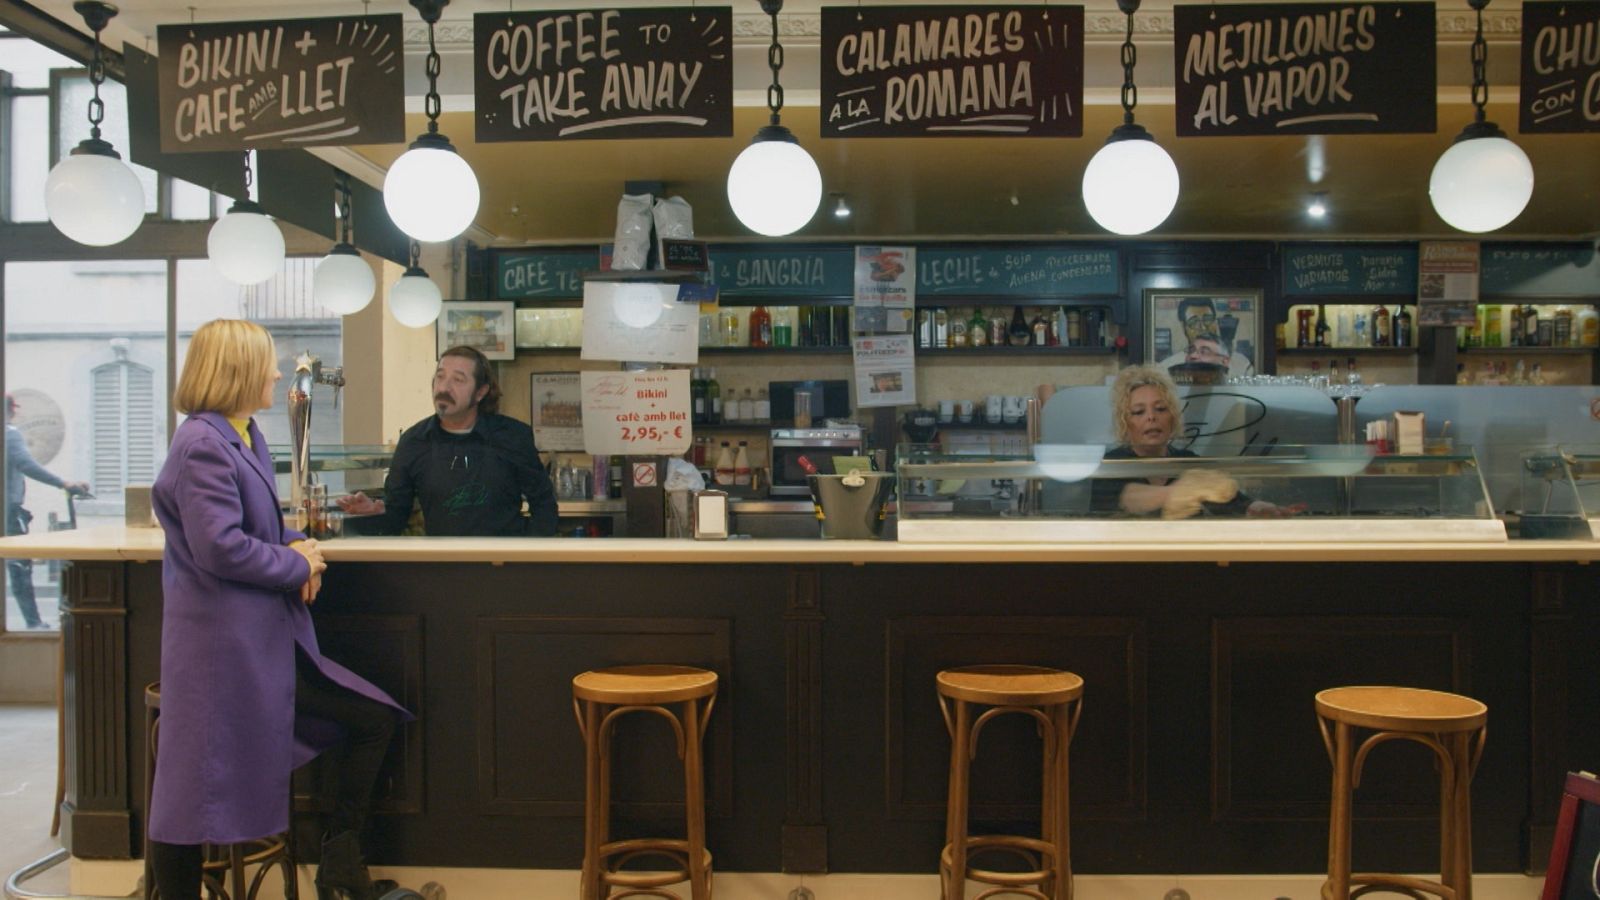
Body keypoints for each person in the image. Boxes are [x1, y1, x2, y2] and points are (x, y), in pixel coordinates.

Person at [148, 319, 411, 900]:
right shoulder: (200, 446)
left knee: (194, 785)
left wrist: (294, 540)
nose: (275, 372)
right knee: (190, 792)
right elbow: (220, 546)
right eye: (267, 362)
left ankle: (338, 866)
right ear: (237, 371)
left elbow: (251, 527)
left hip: (256, 643)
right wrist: (300, 565)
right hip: (223, 650)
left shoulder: (242, 435)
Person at [337, 345, 558, 536]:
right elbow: (396, 516)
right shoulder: (414, 441)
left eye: (458, 380)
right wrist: (374, 512)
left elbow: (545, 506)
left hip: (505, 566)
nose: (444, 388)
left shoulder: (512, 436)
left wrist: (526, 555)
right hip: (441, 566)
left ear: (480, 392)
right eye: (440, 377)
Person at [1090, 365, 1302, 518]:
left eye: (1161, 409)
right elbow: (1127, 499)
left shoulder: (1190, 463)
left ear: (1173, 417)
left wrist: (1257, 507)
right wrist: (1179, 492)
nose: (1151, 417)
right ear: (1125, 423)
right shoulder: (1112, 464)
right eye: (1138, 412)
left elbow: (1232, 500)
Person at [5, 394, 88, 629]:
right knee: (19, 566)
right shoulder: (10, 434)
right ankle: (33, 622)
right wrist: (63, 483)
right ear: (11, 411)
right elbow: (26, 464)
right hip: (9, 512)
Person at [1157, 298, 1252, 377]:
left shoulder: (1241, 364)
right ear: (1183, 327)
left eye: (1207, 319)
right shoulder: (1166, 368)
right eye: (1194, 322)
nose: (1203, 327)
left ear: (1215, 323)